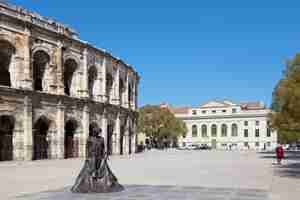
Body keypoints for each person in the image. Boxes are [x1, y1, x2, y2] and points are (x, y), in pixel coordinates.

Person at [71, 128, 123, 193]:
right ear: (93, 132)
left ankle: (102, 182)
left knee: (102, 169)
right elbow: (87, 148)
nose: (97, 133)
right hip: (92, 156)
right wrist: (87, 157)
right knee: (90, 169)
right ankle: (90, 183)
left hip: (100, 156)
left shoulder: (101, 139)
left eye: (98, 132)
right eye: (96, 132)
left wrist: (105, 155)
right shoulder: (89, 138)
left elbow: (103, 148)